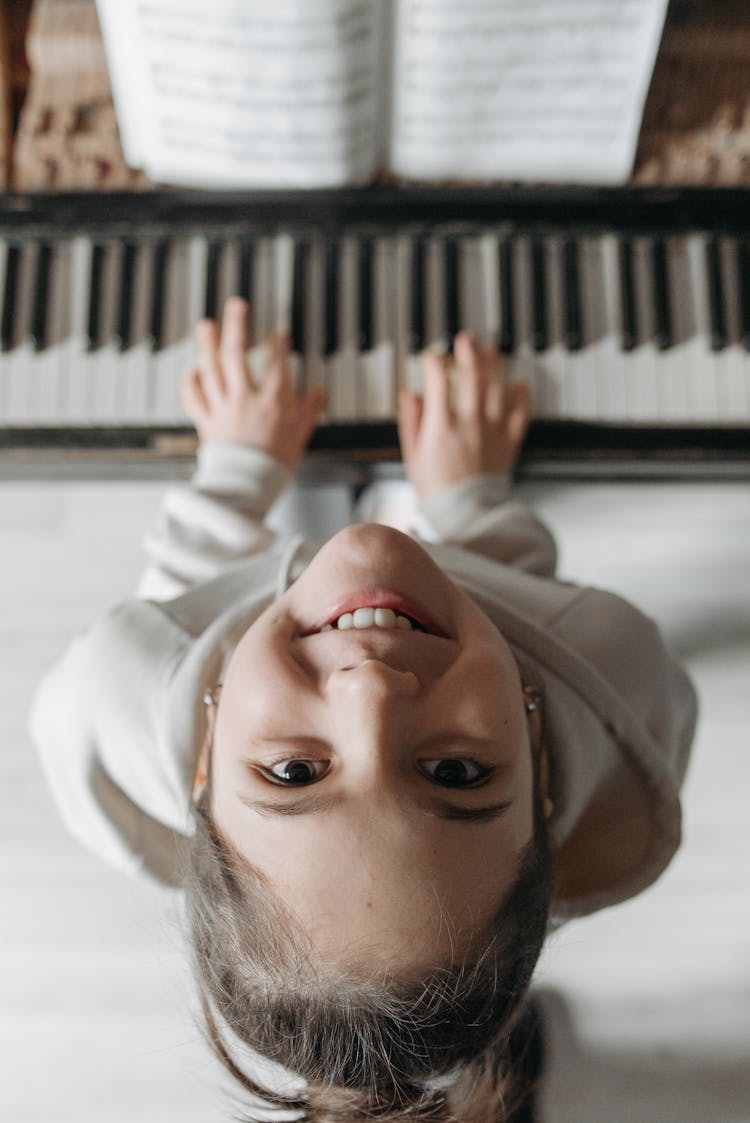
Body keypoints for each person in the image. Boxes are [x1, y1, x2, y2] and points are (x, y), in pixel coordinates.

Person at [29, 297, 697, 1122]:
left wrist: (236, 474)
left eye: (293, 771)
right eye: (455, 772)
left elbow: (188, 599)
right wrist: (471, 508)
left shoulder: (124, 684)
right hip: (452, 593)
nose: (369, 692)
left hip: (246, 609)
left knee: (297, 538)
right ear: (543, 763)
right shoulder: (608, 665)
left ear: (201, 760)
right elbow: (527, 598)